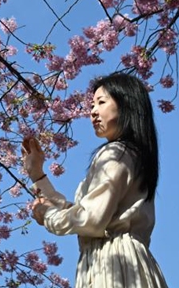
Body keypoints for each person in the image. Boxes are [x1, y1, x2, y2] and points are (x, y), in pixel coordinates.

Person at [22, 72, 169, 288]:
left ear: (127, 105)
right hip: (126, 262)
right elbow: (87, 212)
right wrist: (38, 175)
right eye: (92, 104)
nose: (93, 111)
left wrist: (49, 216)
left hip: (114, 264)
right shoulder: (132, 155)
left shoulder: (115, 153)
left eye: (101, 102)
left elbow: (90, 219)